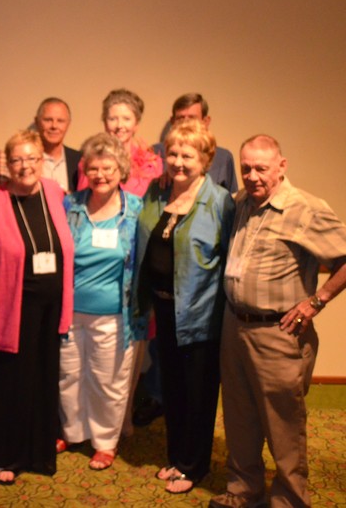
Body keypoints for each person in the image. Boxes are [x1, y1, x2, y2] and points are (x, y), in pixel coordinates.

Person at [210, 135, 346, 508]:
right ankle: (244, 490)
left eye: (261, 168)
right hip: (235, 326)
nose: (252, 176)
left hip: (278, 333)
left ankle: (289, 499)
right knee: (239, 415)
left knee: (283, 423)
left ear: (281, 166)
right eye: (246, 168)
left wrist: (317, 301)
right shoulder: (241, 202)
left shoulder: (305, 208)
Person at [0, 129, 75, 485]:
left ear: (42, 160)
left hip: (49, 310)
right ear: (7, 163)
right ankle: (1, 456)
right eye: (17, 159)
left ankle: (36, 452)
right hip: (8, 309)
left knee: (41, 380)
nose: (25, 165)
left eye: (31, 158)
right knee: (8, 383)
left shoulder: (54, 192)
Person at [135, 120, 234, 494]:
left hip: (201, 314)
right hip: (164, 310)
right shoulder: (156, 192)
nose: (178, 161)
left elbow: (229, 260)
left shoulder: (220, 201)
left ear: (206, 159)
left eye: (187, 155)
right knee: (173, 389)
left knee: (198, 395)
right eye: (172, 153)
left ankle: (194, 466)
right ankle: (176, 457)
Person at [60, 132, 144, 471]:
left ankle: (105, 442)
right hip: (70, 311)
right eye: (93, 168)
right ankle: (72, 431)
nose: (100, 175)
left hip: (114, 314)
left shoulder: (135, 210)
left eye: (108, 168)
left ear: (121, 169)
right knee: (69, 376)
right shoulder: (71, 205)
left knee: (108, 380)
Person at [77, 89, 161, 197]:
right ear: (105, 123)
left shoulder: (151, 163)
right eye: (112, 119)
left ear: (136, 124)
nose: (119, 125)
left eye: (126, 119)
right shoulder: (90, 160)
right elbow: (82, 199)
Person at [152, 93, 238, 194]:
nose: (186, 123)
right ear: (172, 121)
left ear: (205, 121)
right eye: (180, 118)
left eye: (192, 118)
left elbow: (231, 196)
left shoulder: (223, 158)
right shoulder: (155, 152)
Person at [35, 97, 81, 193]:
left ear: (68, 124)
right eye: (48, 120)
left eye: (60, 121)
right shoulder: (26, 161)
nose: (54, 126)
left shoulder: (80, 160)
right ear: (37, 122)